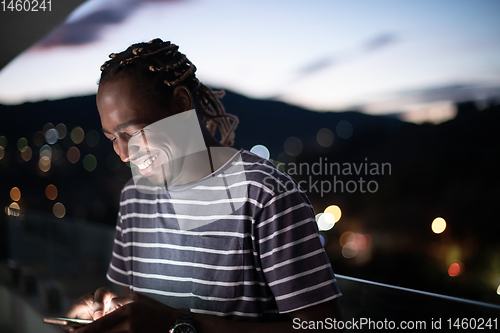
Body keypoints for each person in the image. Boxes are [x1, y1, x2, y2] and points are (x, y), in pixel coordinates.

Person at [63, 38, 343, 333]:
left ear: (183, 104)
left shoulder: (265, 194)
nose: (123, 153)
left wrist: (180, 324)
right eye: (112, 138)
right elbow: (132, 305)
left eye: (134, 132)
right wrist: (105, 311)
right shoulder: (135, 197)